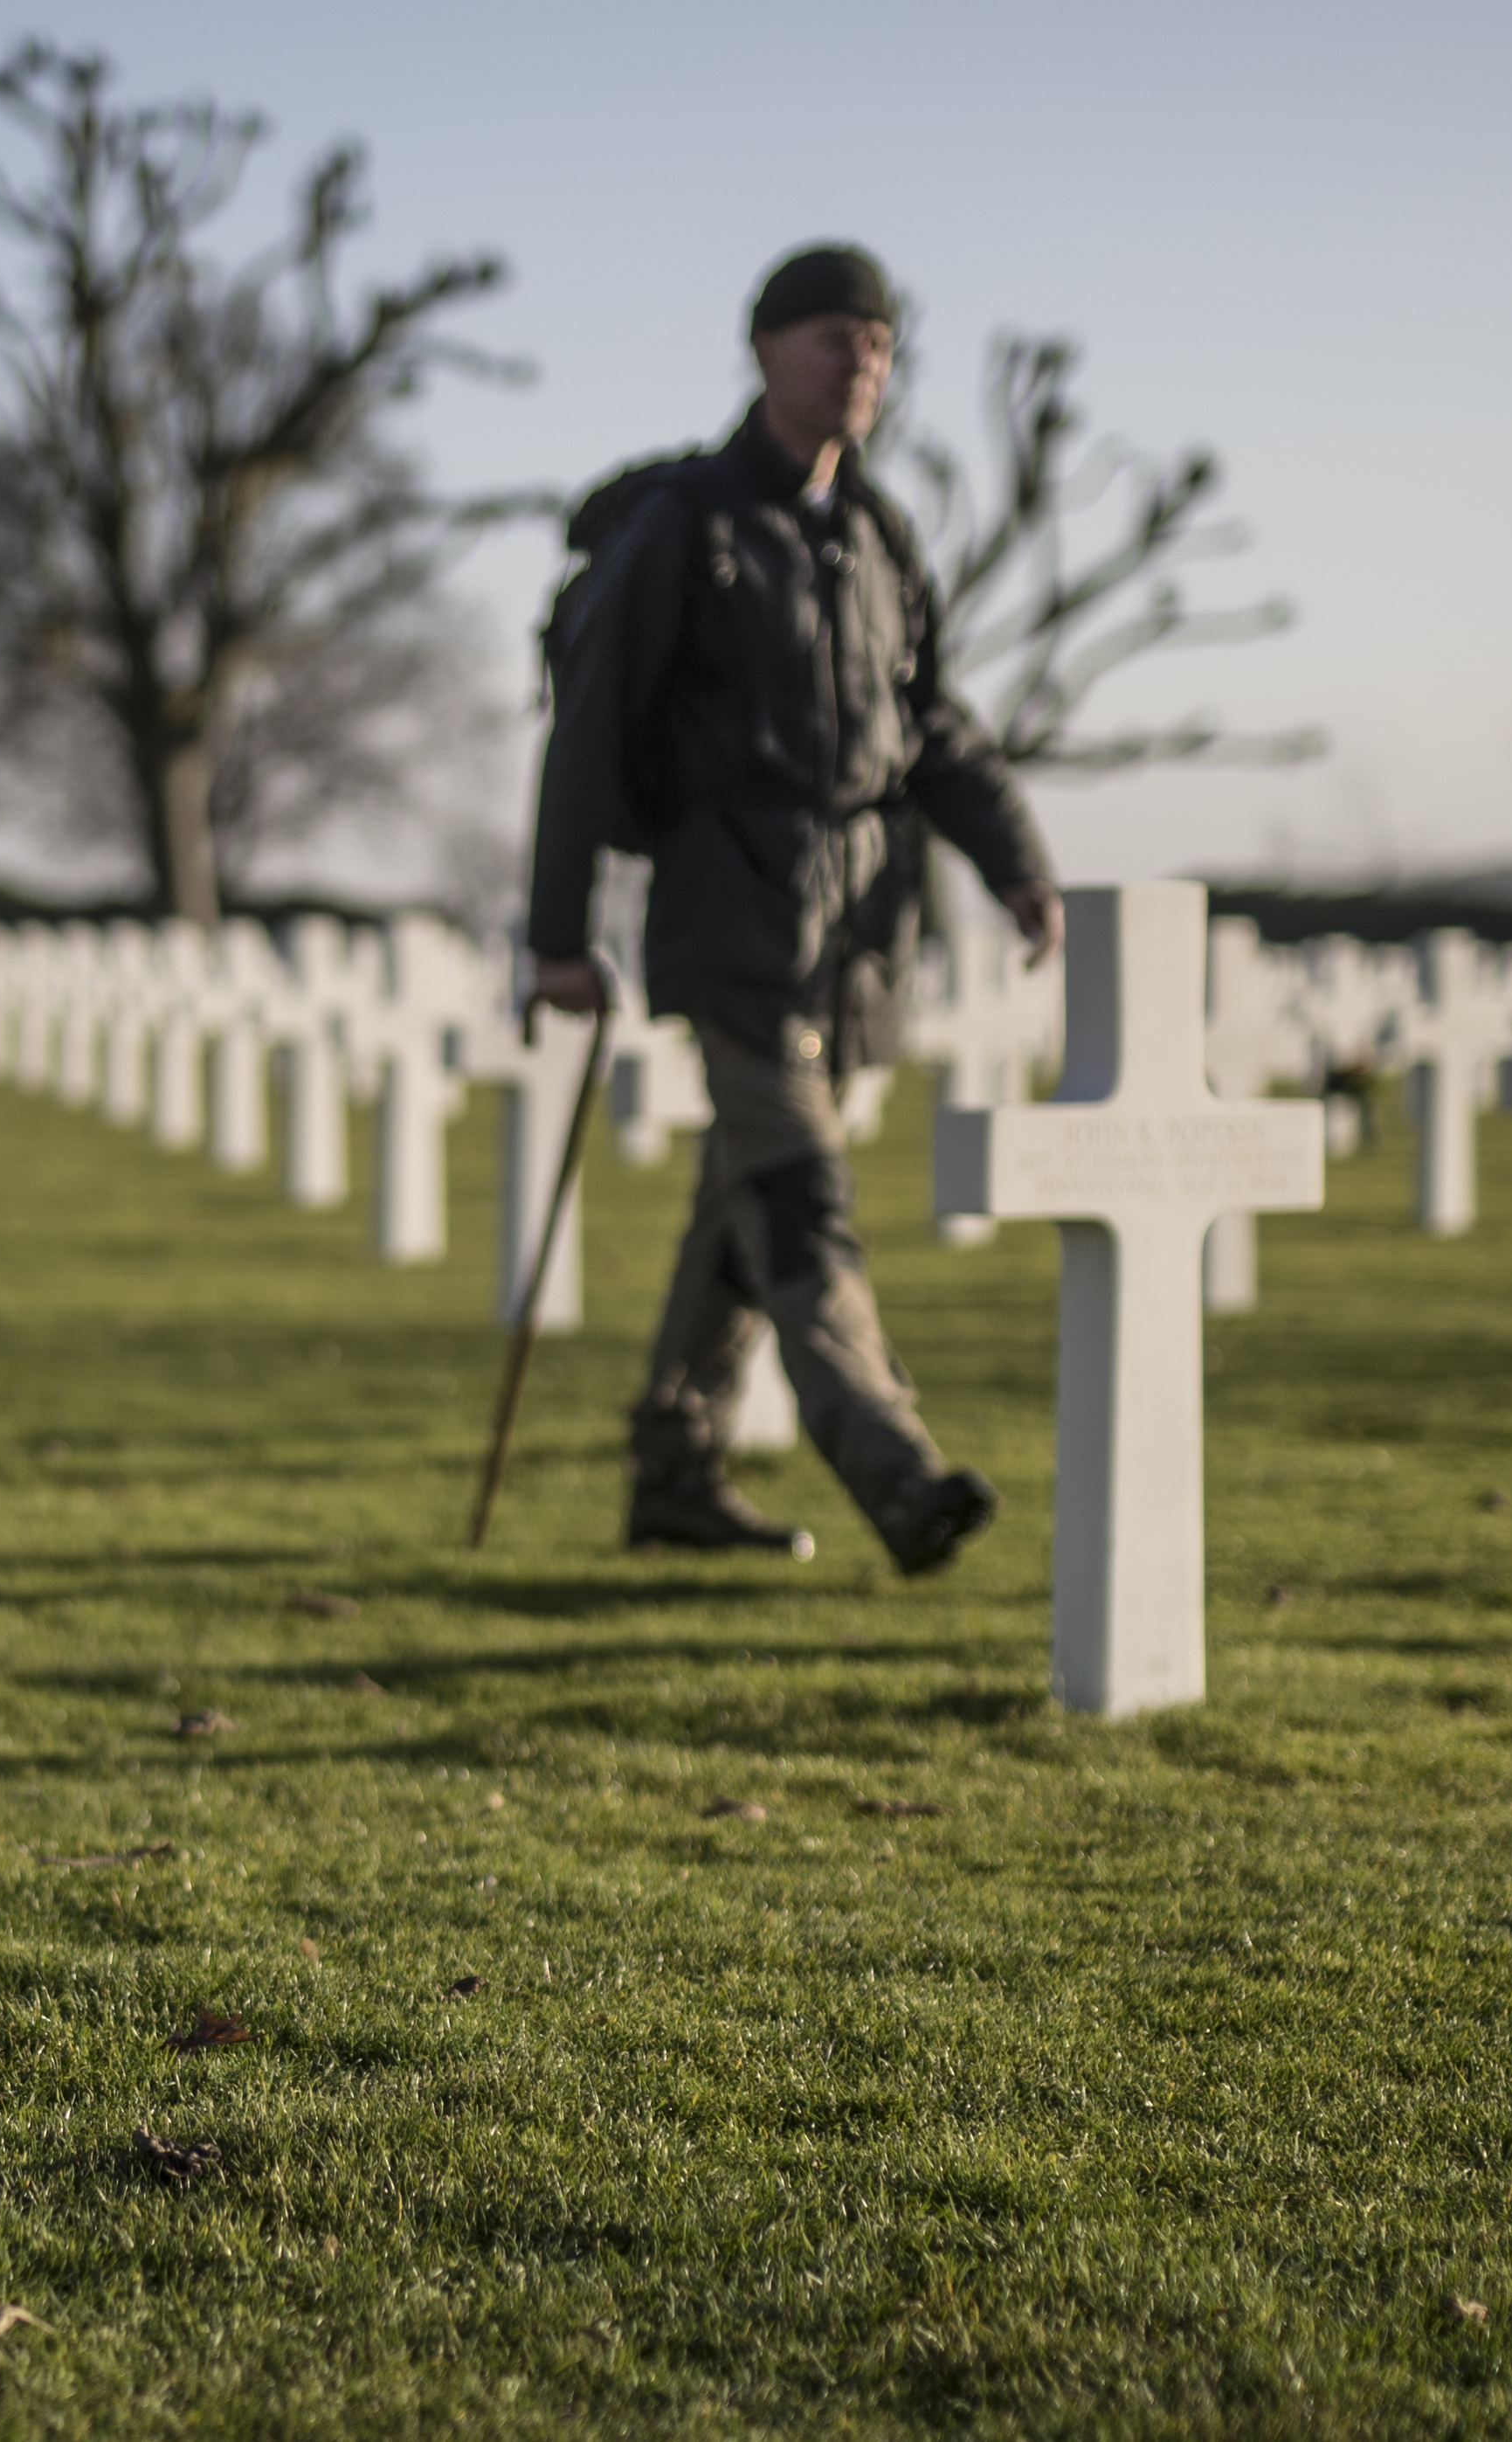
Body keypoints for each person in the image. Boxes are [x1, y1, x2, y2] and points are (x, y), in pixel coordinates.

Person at [525, 242, 1063, 1574]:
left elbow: (930, 724)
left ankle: (675, 1470)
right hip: (733, 913)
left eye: (878, 344)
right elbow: (589, 732)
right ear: (765, 351)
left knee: (742, 1205)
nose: (860, 363)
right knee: (804, 1196)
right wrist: (555, 932)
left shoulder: (877, 535)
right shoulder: (688, 526)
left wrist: (1018, 866)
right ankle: (900, 1474)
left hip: (861, 925)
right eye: (833, 337)